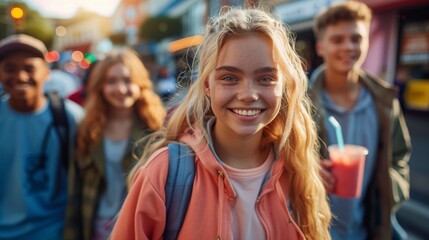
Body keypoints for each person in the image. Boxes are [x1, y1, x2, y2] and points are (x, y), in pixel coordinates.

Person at [111, 7, 331, 240]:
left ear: (284, 86)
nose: (248, 94)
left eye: (266, 78)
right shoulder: (164, 172)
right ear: (207, 85)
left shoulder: (297, 169)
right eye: (229, 78)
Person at [309, 1, 412, 239]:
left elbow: (400, 158)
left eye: (356, 38)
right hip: (313, 230)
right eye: (337, 39)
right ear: (320, 47)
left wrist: (388, 191)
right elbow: (273, 160)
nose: (348, 46)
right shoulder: (299, 102)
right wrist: (306, 173)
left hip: (368, 231)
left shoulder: (385, 103)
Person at [63, 47, 166, 240]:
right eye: (111, 81)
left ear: (140, 83)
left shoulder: (157, 129)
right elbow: (74, 189)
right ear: (100, 86)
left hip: (137, 227)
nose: (120, 89)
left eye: (127, 80)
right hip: (95, 226)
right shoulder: (88, 129)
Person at [0, 34, 84, 239]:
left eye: (29, 68)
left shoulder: (70, 117)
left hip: (55, 231)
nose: (20, 77)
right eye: (10, 68)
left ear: (47, 73)